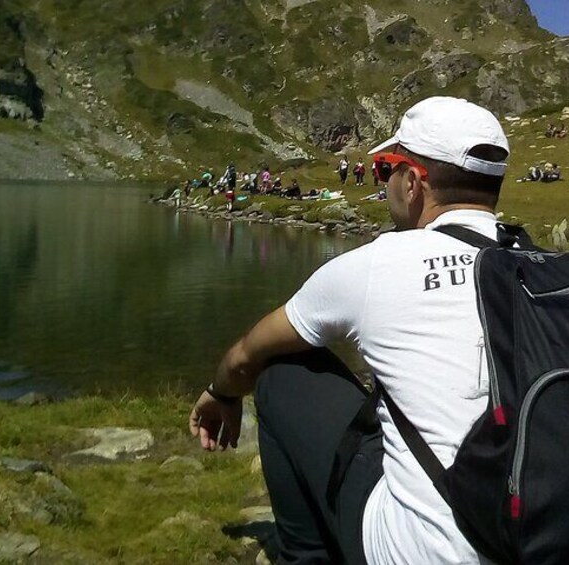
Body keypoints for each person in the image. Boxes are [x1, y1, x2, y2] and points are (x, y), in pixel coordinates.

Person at [188, 96, 510, 564]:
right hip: (544, 533)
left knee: (280, 366)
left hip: (422, 553)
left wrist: (221, 392)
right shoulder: (548, 269)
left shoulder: (378, 263)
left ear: (413, 183)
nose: (384, 185)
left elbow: (246, 354)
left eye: (385, 171)